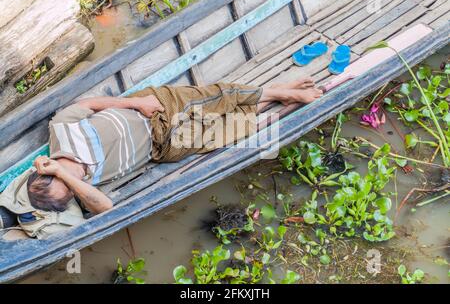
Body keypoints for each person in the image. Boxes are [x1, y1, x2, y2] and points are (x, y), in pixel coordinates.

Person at [0, 79, 322, 238]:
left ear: (46, 170)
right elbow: (105, 207)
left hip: (155, 109)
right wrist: (70, 177)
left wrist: (136, 104)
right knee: (231, 129)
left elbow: (90, 103)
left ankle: (283, 93)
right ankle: (273, 97)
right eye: (73, 189)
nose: (77, 183)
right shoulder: (87, 189)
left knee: (221, 96)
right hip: (165, 144)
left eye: (66, 181)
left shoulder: (61, 130)